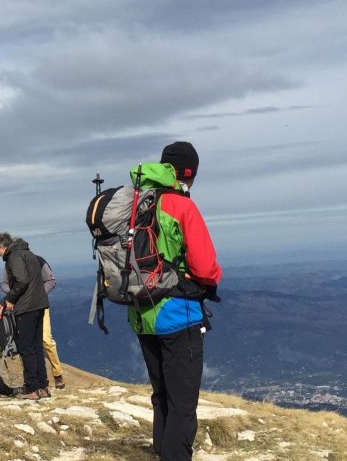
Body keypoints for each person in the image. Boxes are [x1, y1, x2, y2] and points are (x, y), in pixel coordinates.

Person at [129, 141, 222, 461]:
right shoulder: (181, 206)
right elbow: (205, 267)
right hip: (178, 313)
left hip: (141, 313)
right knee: (183, 405)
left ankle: (161, 452)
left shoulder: (138, 203)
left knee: (162, 395)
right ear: (190, 173)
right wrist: (214, 277)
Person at [0, 232, 51, 400]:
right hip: (40, 304)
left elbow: (22, 280)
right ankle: (43, 387)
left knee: (26, 347)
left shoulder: (14, 256)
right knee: (37, 346)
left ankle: (32, 388)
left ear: (2, 247)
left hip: (27, 307)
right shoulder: (28, 253)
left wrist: (9, 299)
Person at [1, 255, 66, 389]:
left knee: (46, 340)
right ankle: (32, 380)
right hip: (21, 307)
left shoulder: (38, 260)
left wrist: (36, 293)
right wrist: (15, 293)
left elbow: (50, 280)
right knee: (25, 344)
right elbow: (3, 283)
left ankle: (57, 374)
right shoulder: (10, 263)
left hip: (39, 305)